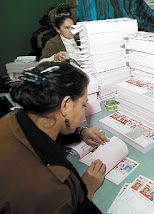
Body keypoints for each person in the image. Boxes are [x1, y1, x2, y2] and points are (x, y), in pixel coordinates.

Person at [0, 62, 108, 213]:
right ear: (65, 105)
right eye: (83, 105)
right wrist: (86, 190)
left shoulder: (12, 117)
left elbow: (38, 134)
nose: (84, 109)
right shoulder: (52, 190)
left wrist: (80, 133)